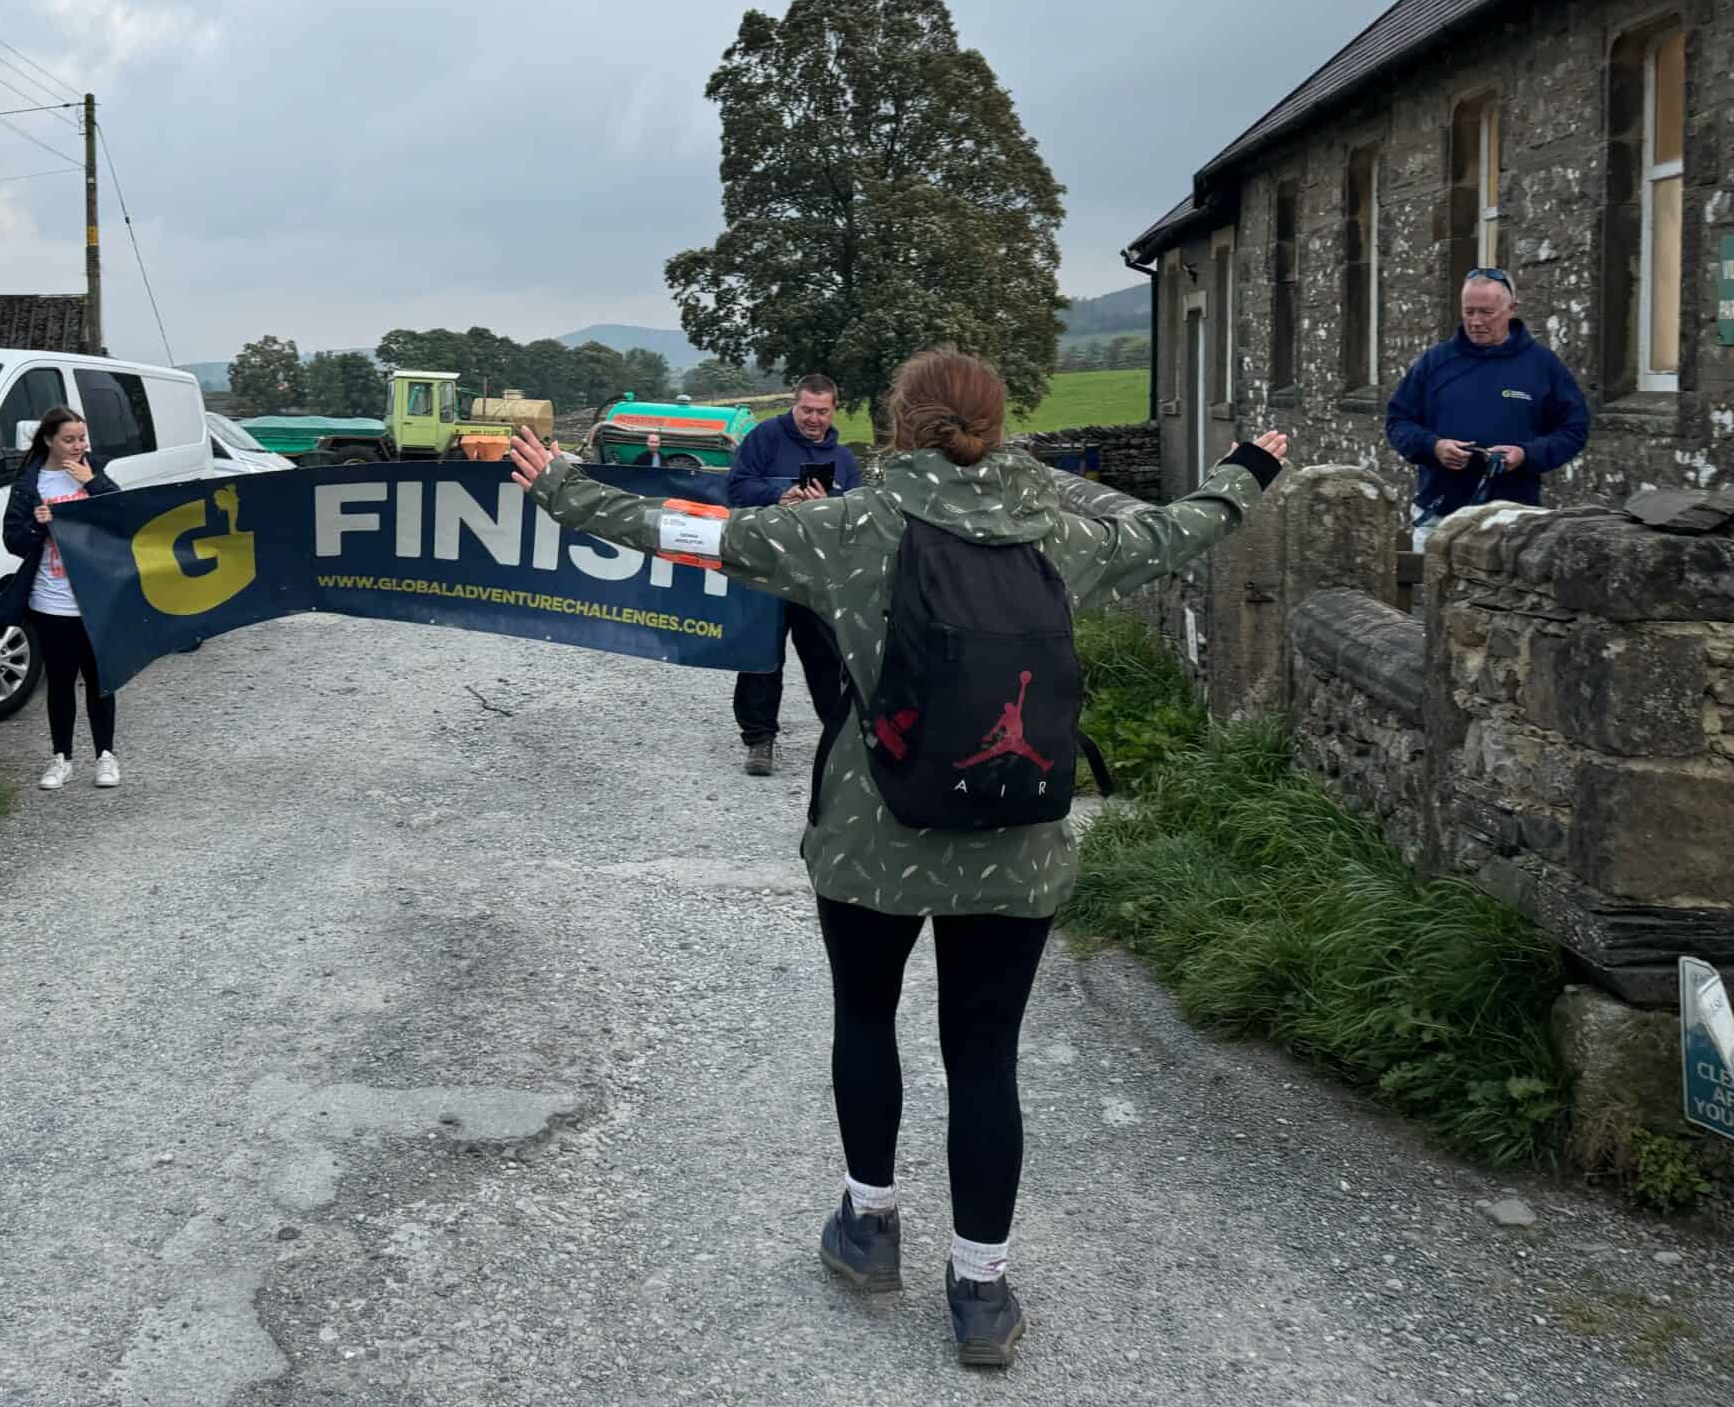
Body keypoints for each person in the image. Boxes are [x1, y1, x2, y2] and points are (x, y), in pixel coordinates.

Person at [507, 347, 1286, 1369]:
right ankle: (980, 1291)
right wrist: (1246, 470)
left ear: (897, 427)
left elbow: (700, 534)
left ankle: (869, 1230)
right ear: (997, 426)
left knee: (864, 1020)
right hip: (1014, 848)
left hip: (874, 841)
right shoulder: (1059, 534)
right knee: (984, 1059)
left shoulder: (848, 528)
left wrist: (562, 488)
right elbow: (1172, 528)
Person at [1384, 265, 1590, 547]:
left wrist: (1525, 454)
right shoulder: (1435, 362)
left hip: (1516, 522)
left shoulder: (1542, 365)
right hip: (1438, 517)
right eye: (1469, 311)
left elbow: (1574, 430)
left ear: (1512, 309)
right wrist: (1434, 446)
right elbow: (1398, 422)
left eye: (1486, 312)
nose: (1476, 321)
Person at [724, 375, 859, 776]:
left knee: (827, 657)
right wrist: (779, 496)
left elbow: (855, 515)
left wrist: (829, 505)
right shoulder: (765, 437)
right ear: (793, 405)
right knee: (761, 654)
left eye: (822, 411)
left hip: (815, 574)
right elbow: (737, 488)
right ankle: (759, 740)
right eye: (806, 410)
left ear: (834, 409)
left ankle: (840, 739)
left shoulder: (845, 459)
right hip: (766, 566)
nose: (814, 419)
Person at [0, 406, 123, 792]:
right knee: (60, 682)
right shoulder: (29, 483)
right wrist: (36, 526)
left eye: (82, 438)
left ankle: (105, 756)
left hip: (95, 599)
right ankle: (61, 758)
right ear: (49, 440)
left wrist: (94, 483)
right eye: (69, 439)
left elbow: (122, 520)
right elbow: (13, 541)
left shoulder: (93, 472)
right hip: (50, 599)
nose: (77, 446)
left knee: (101, 680)